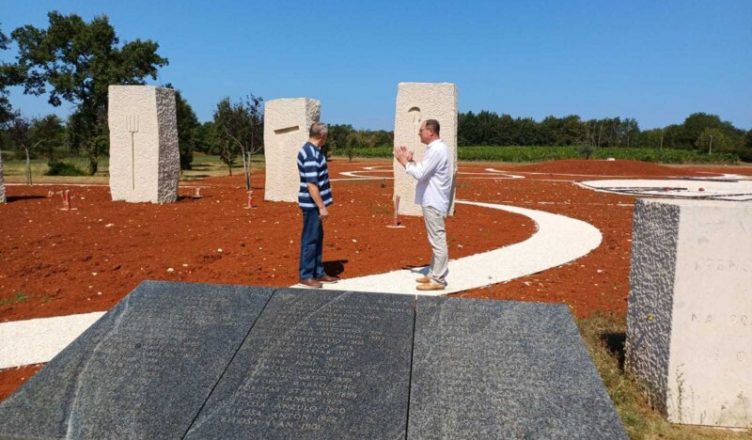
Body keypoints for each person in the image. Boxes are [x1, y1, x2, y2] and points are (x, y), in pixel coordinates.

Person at [394, 119, 453, 291]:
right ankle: (434, 273)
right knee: (435, 238)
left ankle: (439, 280)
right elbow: (426, 171)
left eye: (421, 130)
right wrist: (411, 162)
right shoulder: (436, 149)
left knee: (437, 239)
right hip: (433, 199)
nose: (419, 133)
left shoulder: (437, 150)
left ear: (430, 132)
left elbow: (420, 174)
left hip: (434, 200)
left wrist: (404, 162)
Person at [297, 122, 339, 288]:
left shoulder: (315, 151)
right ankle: (306, 274)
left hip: (314, 204)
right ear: (322, 136)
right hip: (312, 205)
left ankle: (318, 271)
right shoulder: (310, 154)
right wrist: (321, 206)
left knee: (317, 237)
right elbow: (311, 184)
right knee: (310, 239)